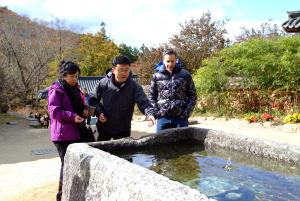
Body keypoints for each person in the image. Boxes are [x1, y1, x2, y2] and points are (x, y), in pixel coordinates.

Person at [48, 60, 94, 201]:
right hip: (63, 135)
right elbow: (54, 112)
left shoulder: (77, 89)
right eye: (72, 76)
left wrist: (85, 111)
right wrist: (73, 116)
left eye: (76, 76)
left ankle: (80, 192)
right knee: (67, 164)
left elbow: (79, 106)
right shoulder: (56, 90)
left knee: (89, 155)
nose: (75, 79)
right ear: (64, 76)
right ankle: (62, 196)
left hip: (78, 129)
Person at [89, 55, 155, 141]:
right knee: (101, 152)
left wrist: (150, 114)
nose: (124, 73)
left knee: (124, 153)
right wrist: (99, 112)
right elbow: (93, 99)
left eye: (126, 70)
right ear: (113, 70)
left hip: (123, 128)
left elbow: (143, 102)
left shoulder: (134, 86)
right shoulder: (103, 83)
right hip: (104, 126)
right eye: (121, 70)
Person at [148, 49, 197, 132]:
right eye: (167, 61)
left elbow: (193, 95)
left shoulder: (185, 75)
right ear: (163, 61)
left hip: (181, 119)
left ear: (176, 60)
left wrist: (186, 113)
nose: (170, 64)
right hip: (162, 119)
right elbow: (151, 96)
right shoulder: (156, 76)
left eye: (172, 61)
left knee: (183, 143)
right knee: (161, 144)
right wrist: (156, 113)